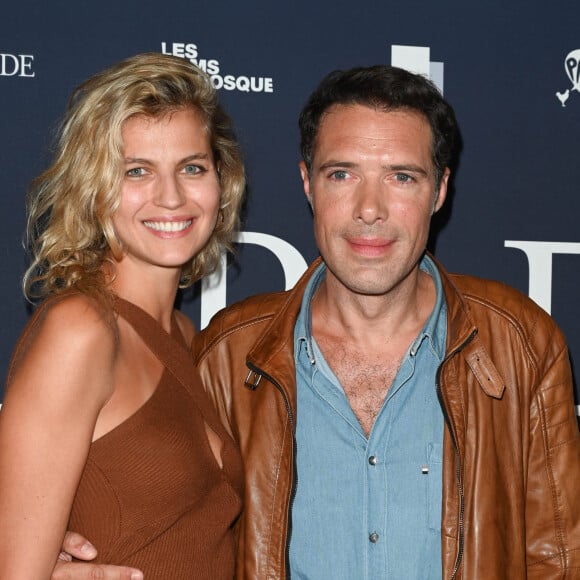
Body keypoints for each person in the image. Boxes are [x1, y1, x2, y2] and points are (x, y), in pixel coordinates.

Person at [54, 65, 580, 579]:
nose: (369, 209)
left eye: (401, 176)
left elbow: (560, 558)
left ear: (439, 190)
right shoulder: (228, 354)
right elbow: (157, 508)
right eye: (342, 174)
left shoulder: (521, 344)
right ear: (308, 182)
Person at [0, 52, 245, 579]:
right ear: (94, 188)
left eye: (192, 167)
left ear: (220, 182)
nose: (172, 196)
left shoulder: (186, 335)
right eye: (137, 171)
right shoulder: (82, 329)